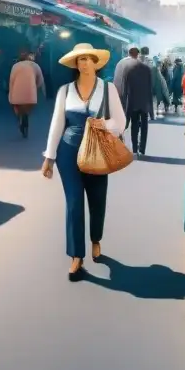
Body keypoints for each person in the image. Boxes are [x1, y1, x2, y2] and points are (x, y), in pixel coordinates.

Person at [41, 43, 126, 281]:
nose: (85, 63)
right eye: (81, 59)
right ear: (76, 64)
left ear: (96, 62)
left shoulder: (108, 89)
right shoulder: (65, 91)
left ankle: (96, 239)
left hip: (98, 150)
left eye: (89, 58)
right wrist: (49, 157)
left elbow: (121, 121)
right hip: (69, 152)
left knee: (97, 199)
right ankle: (76, 256)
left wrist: (103, 125)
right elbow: (57, 124)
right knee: (74, 203)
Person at [121, 47, 153, 157]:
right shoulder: (147, 69)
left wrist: (124, 106)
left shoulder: (128, 69)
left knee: (134, 126)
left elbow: (125, 89)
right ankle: (142, 150)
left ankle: (134, 150)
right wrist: (151, 111)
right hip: (144, 103)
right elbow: (150, 89)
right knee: (144, 127)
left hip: (133, 103)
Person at [9, 52, 45, 138]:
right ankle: (25, 121)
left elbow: (11, 81)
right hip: (30, 94)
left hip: (17, 94)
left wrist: (11, 93)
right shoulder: (35, 66)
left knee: (18, 108)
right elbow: (41, 80)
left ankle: (20, 120)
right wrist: (35, 86)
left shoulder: (15, 66)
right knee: (28, 109)